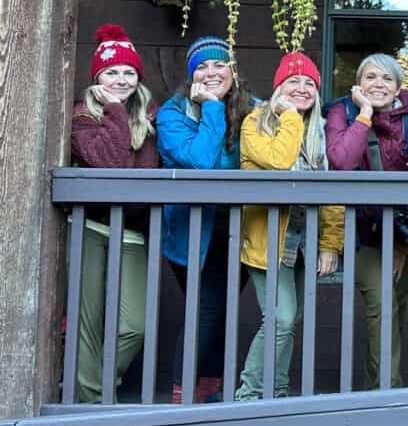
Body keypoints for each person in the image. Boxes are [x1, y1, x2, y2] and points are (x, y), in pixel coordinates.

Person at [236, 53, 344, 400]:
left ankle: (277, 392)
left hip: (301, 239)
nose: (302, 88)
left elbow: (330, 191)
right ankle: (248, 396)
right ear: (278, 87)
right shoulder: (255, 122)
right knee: (281, 319)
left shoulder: (321, 133)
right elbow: (281, 163)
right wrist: (292, 117)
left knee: (289, 320)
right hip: (267, 236)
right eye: (293, 82)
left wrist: (330, 242)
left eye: (309, 83)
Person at [325, 53, 408, 389]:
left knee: (393, 311)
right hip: (361, 233)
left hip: (402, 236)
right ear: (359, 83)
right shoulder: (344, 112)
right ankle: (387, 398)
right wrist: (365, 115)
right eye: (370, 77)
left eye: (386, 78)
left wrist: (404, 243)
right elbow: (341, 160)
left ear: (399, 86)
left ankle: (378, 389)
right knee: (382, 311)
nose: (378, 85)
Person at [157, 37, 253, 404]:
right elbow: (201, 163)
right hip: (194, 231)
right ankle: (183, 399)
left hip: (240, 230)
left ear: (233, 71)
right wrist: (211, 108)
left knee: (221, 308)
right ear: (191, 75)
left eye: (219, 65)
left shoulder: (253, 109)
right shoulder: (174, 113)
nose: (211, 72)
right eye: (202, 67)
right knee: (209, 306)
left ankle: (207, 393)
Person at [69, 24, 159, 402]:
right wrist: (116, 110)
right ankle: (89, 407)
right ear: (97, 77)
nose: (120, 80)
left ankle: (96, 389)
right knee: (87, 327)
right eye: (111, 72)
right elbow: (109, 161)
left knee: (132, 326)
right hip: (89, 227)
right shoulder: (81, 117)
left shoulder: (152, 117)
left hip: (133, 232)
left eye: (128, 73)